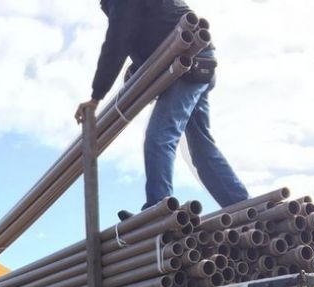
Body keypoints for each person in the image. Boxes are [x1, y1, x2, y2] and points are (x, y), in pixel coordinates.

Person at [75, 0, 249, 211]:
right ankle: (246, 209)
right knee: (202, 151)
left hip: (188, 60)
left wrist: (96, 97)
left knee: (159, 137)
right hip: (196, 60)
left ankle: (159, 210)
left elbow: (117, 43)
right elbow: (152, 28)